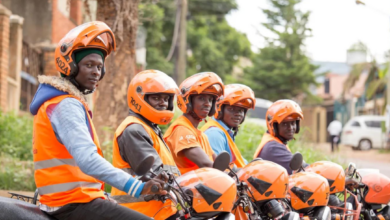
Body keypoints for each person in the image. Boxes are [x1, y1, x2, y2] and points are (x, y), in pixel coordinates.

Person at [30, 21, 164, 220]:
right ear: (71, 66)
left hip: (76, 199)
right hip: (71, 203)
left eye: (99, 67)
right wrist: (137, 187)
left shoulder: (67, 102)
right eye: (89, 65)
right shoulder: (65, 105)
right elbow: (88, 160)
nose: (95, 72)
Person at [111, 70, 181, 220]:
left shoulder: (149, 128)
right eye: (156, 98)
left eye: (166, 98)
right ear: (139, 98)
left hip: (160, 211)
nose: (163, 102)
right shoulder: (133, 129)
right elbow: (156, 173)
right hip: (141, 212)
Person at [164, 72, 224, 174]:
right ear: (188, 101)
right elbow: (207, 164)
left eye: (210, 99)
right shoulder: (181, 129)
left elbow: (216, 162)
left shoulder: (202, 136)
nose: (207, 104)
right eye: (201, 98)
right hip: (180, 188)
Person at [201, 84, 256, 168]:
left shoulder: (225, 131)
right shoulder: (215, 133)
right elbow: (218, 169)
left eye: (241, 110)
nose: (237, 114)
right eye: (232, 109)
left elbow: (238, 161)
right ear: (220, 110)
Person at [253, 100, 304, 174]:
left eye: (293, 123)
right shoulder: (273, 147)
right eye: (285, 124)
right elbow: (302, 170)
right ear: (274, 126)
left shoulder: (274, 141)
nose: (290, 128)